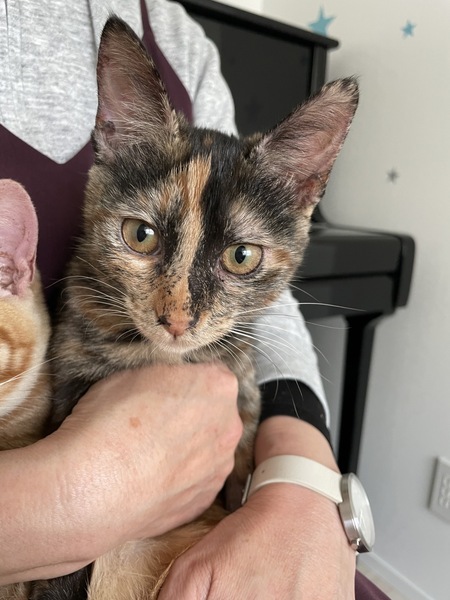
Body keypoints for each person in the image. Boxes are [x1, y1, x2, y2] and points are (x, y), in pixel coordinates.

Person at [0, 1, 384, 597]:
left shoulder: (180, 37)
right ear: (112, 143)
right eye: (142, 236)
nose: (177, 314)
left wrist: (302, 481)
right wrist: (69, 498)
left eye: (240, 258)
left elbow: (277, 313)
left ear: (302, 192)